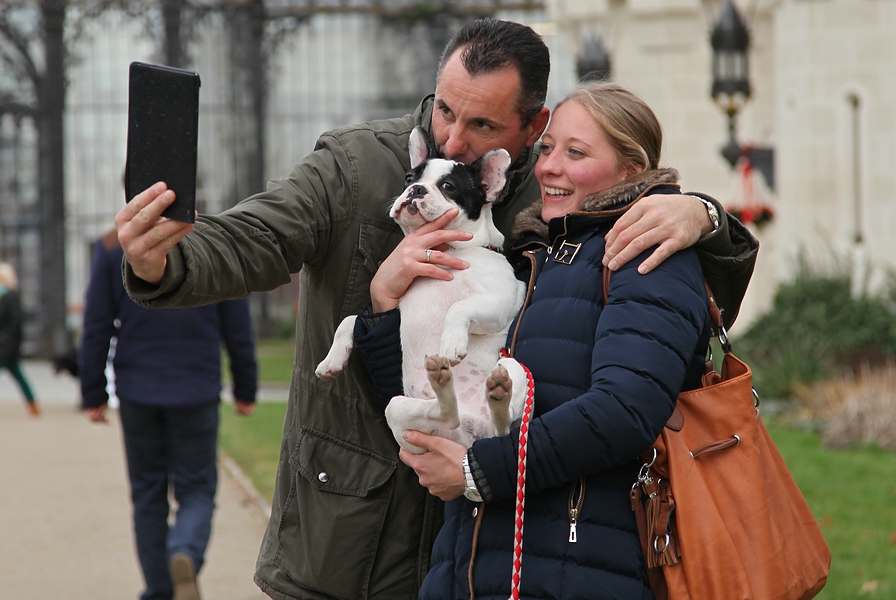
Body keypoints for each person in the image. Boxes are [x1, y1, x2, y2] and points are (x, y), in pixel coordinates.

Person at [115, 19, 757, 600]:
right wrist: (164, 262)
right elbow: (257, 236)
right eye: (445, 109)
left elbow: (669, 315)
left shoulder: (551, 201)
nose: (452, 136)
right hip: (352, 534)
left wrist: (703, 214)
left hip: (486, 544)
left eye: (483, 125)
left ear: (532, 127)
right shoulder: (358, 164)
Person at [392, 81, 714, 599]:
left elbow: (625, 411)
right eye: (547, 149)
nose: (549, 167)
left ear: (631, 169)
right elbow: (438, 372)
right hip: (474, 569)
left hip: (577, 569)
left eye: (576, 153)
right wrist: (383, 301)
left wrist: (476, 471)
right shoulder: (533, 257)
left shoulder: (647, 255)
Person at [78, 228, 258, 600]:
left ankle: (160, 590)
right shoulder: (214, 240)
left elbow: (97, 322)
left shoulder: (115, 243)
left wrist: (93, 392)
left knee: (147, 495)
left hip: (137, 389)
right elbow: (237, 324)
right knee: (197, 490)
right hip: (196, 388)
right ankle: (184, 551)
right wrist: (245, 387)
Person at [0, 262, 39, 417]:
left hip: (4, 345)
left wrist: (5, 339)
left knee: (18, 376)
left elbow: (13, 322)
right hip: (4, 345)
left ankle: (33, 404)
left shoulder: (9, 297)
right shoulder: (1, 297)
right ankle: (32, 404)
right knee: (19, 376)